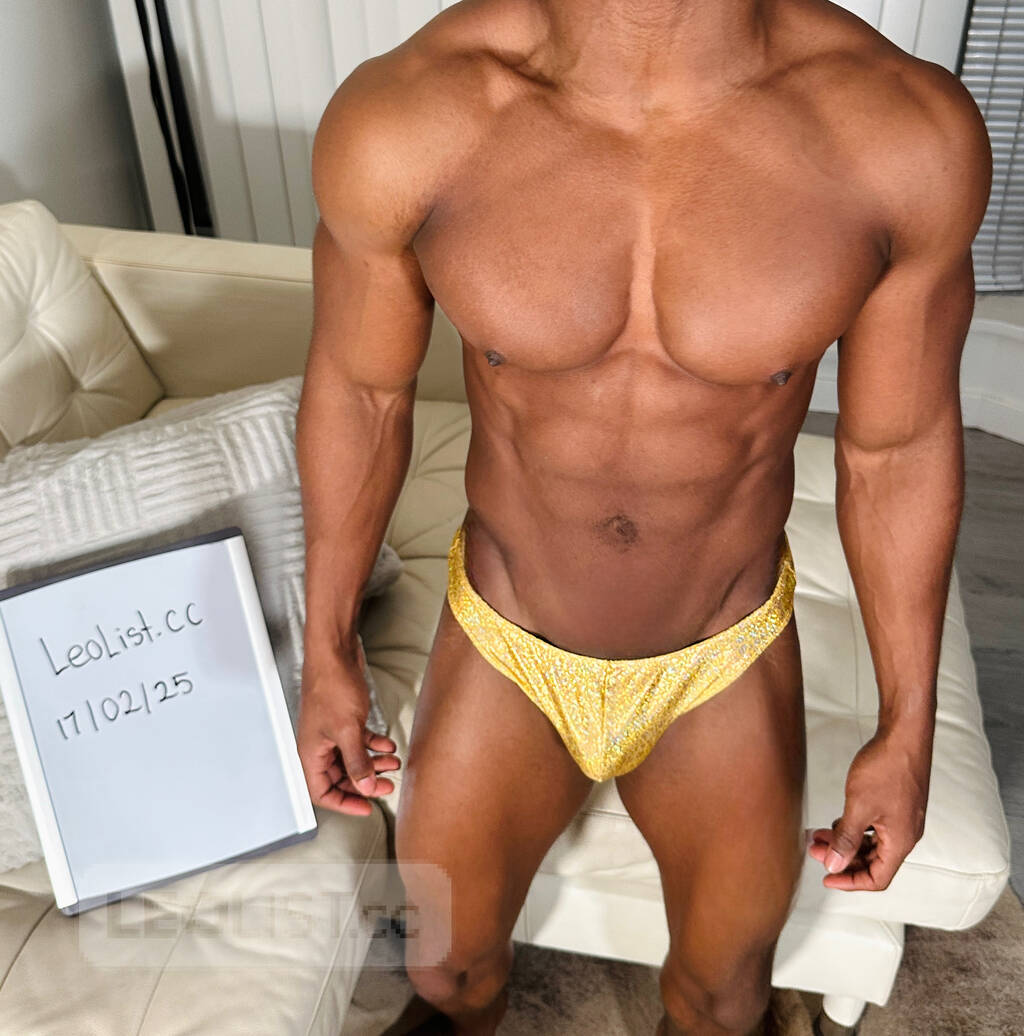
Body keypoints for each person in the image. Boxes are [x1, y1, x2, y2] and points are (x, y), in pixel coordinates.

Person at [294, 0, 992, 1032]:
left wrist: (907, 725)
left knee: (722, 1002)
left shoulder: (897, 134)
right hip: (506, 629)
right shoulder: (411, 117)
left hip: (722, 645)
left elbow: (896, 451)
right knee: (446, 975)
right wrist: (326, 647)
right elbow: (362, 392)